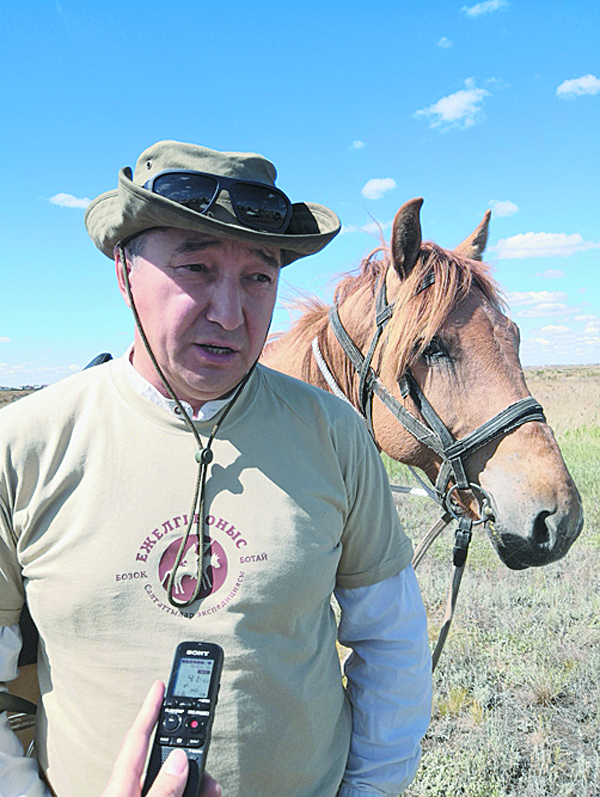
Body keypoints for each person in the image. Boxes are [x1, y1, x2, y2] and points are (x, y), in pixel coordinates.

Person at [0, 140, 432, 796]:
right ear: (124, 271)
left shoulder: (335, 434)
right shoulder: (25, 445)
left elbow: (392, 642)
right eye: (196, 267)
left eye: (259, 276)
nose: (231, 314)